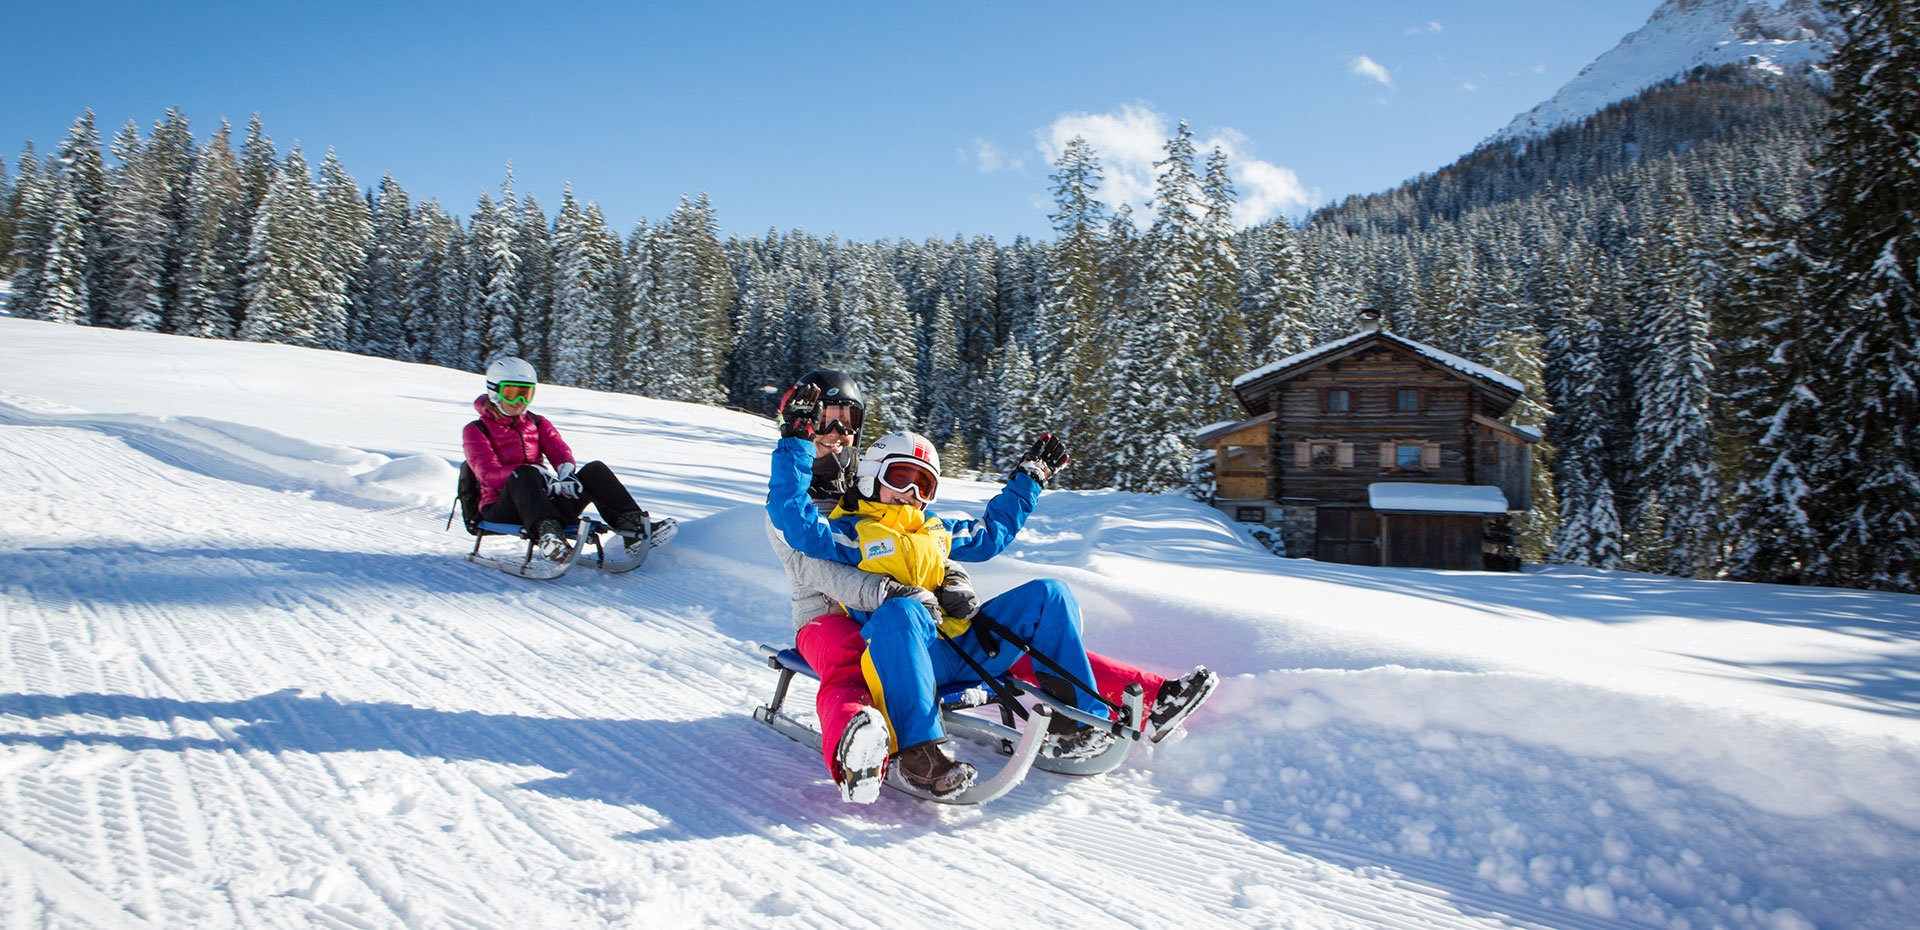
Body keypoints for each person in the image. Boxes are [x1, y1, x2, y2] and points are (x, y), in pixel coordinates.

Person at [764, 371, 1214, 802]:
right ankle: (906, 751)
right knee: (888, 628)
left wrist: (1027, 481)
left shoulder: (931, 525)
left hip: (952, 642)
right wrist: (796, 444)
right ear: (874, 476)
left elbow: (988, 534)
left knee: (1049, 598)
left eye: (923, 484)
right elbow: (803, 538)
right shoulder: (847, 528)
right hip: (866, 631)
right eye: (899, 479)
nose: (910, 493)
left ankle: (1078, 720)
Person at [463, 356, 675, 565]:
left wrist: (567, 474)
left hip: (542, 502)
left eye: (525, 394)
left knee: (595, 470)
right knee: (525, 472)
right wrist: (540, 476)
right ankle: (549, 538)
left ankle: (633, 531)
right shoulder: (476, 430)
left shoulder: (537, 423)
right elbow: (487, 475)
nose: (519, 402)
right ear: (494, 393)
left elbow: (559, 451)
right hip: (502, 508)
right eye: (511, 393)